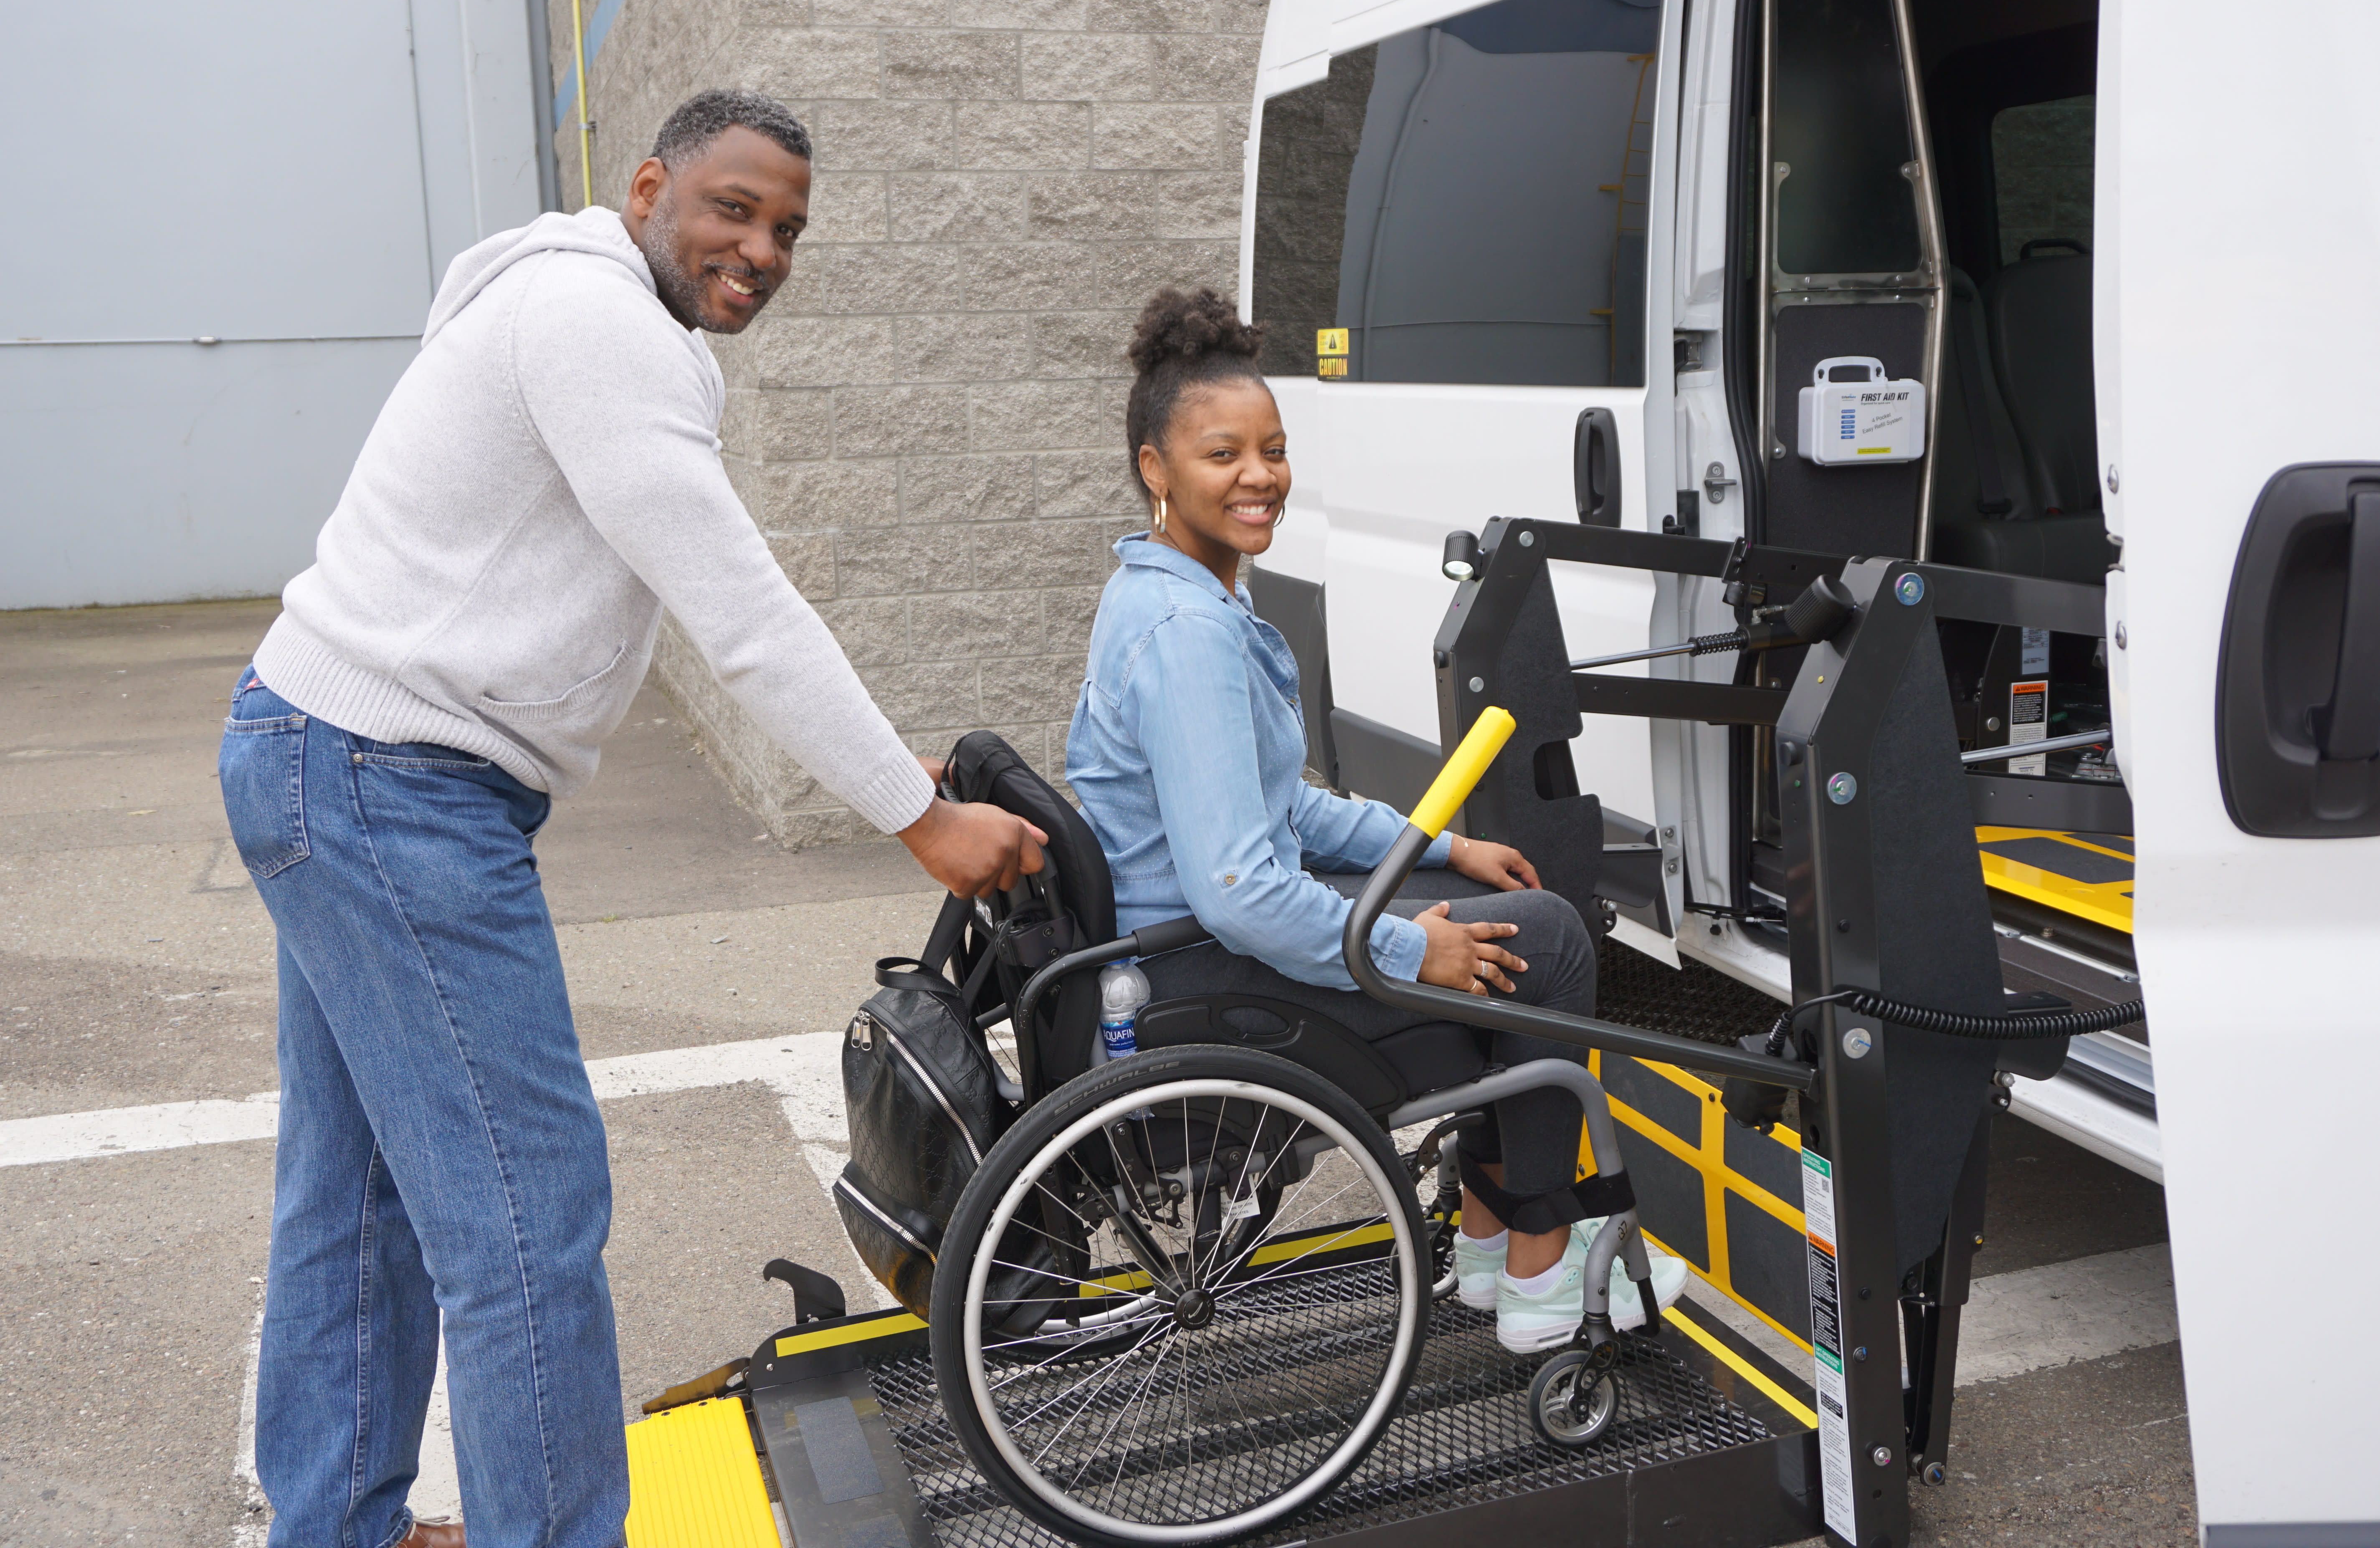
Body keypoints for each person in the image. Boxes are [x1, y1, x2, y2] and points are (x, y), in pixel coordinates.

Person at [218, 89, 1041, 1548]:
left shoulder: (559, 299)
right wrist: (915, 814)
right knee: (526, 1220)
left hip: (321, 748)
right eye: (732, 209)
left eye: (788, 228)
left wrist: (889, 771)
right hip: (386, 780)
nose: (761, 249)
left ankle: (335, 1524)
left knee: (355, 1200)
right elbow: (740, 604)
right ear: (651, 186)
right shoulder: (602, 326)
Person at [1063, 288, 1686, 1356]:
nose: (1260, 475)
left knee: (1504, 906)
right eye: (1224, 455)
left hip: (1186, 953)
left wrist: (1437, 849)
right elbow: (1242, 888)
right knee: (1547, 939)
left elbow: (1285, 806)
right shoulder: (1189, 632)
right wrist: (1413, 945)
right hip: (1206, 978)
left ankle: (1493, 1245)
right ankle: (1541, 1266)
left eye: (1274, 448)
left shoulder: (1176, 596)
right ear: (1156, 468)